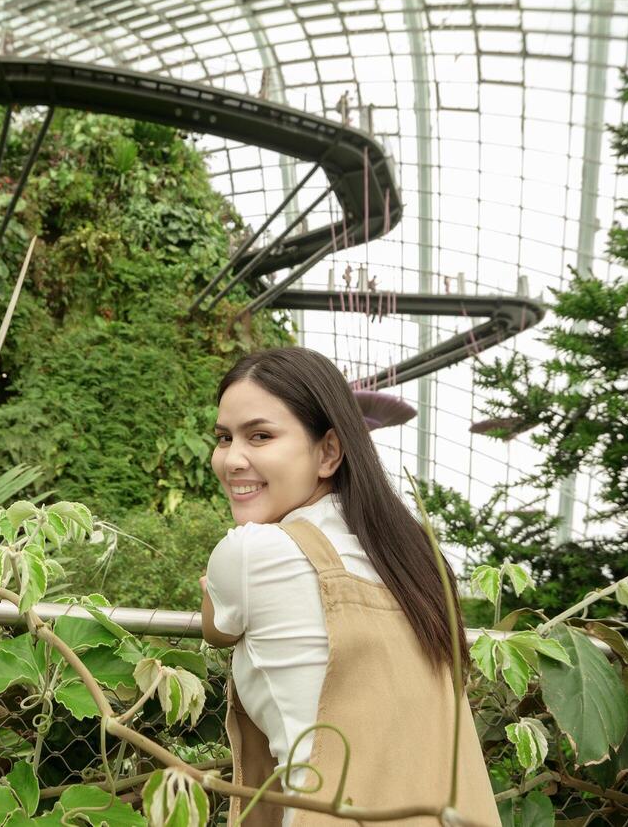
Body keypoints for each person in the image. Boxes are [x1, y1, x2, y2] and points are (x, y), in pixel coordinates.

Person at [201, 346, 499, 827]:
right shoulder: (410, 561)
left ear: (328, 452)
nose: (232, 459)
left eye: (260, 436)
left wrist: (212, 586)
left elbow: (217, 629)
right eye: (223, 438)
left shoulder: (252, 553)